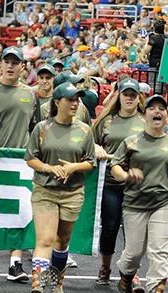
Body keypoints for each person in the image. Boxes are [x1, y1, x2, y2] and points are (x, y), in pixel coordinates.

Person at [111, 94, 168, 293]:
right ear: (145, 115)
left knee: (159, 251)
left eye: (161, 109)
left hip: (164, 203)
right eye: (152, 108)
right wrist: (127, 175)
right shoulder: (131, 141)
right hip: (134, 203)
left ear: (167, 115)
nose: (157, 111)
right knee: (134, 253)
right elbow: (115, 167)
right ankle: (126, 274)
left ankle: (155, 288)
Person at [25, 81, 97, 293]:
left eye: (77, 99)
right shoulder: (42, 128)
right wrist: (48, 168)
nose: (75, 103)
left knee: (62, 241)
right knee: (45, 239)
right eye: (70, 99)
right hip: (44, 191)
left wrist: (74, 167)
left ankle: (57, 283)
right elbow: (31, 159)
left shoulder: (85, 129)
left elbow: (91, 161)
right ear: (57, 102)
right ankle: (38, 286)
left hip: (72, 193)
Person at [0, 46, 39, 282]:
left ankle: (16, 263)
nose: (10, 66)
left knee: (20, 213)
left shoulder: (31, 94)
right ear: (0, 64)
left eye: (15, 62)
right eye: (6, 61)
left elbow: (35, 129)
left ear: (22, 67)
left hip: (20, 164)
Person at [92, 78, 146, 290]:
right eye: (126, 94)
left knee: (134, 231)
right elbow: (90, 140)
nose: (130, 98)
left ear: (138, 97)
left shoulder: (145, 121)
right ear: (119, 96)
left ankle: (132, 272)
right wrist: (96, 146)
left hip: (136, 186)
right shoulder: (106, 120)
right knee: (110, 228)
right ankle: (105, 268)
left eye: (134, 95)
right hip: (110, 184)